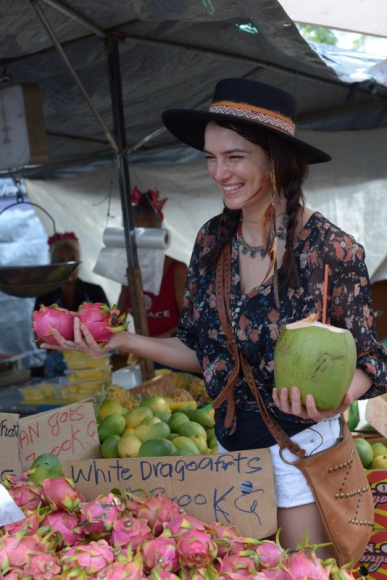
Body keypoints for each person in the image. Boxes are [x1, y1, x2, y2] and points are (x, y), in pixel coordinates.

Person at [40, 78, 387, 554]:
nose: (218, 172)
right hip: (229, 460)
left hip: (300, 455)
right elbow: (200, 349)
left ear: (275, 157)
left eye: (235, 156)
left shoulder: (330, 250)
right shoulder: (211, 242)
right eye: (210, 157)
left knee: (304, 569)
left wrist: (340, 396)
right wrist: (124, 342)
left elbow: (370, 357)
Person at [33, 231, 109, 377]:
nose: (68, 265)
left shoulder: (94, 292)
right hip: (58, 369)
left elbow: (110, 326)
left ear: (79, 261)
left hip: (94, 366)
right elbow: (38, 339)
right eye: (62, 260)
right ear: (54, 264)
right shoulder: (45, 296)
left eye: (72, 259)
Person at [117, 187, 188, 339]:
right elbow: (117, 317)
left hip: (176, 358)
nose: (140, 244)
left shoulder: (177, 271)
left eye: (147, 237)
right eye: (134, 238)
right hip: (143, 357)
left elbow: (190, 326)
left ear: (159, 237)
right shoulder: (130, 271)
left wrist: (146, 346)